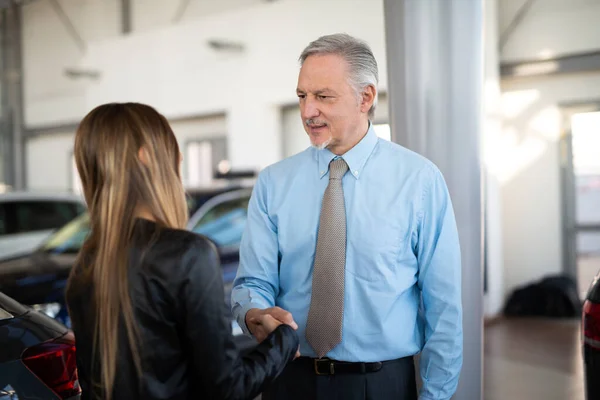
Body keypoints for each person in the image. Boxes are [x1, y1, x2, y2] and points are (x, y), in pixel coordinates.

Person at [231, 33, 463, 400]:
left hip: (381, 385)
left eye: (323, 96)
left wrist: (436, 395)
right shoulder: (274, 183)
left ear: (365, 98)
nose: (308, 112)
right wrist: (252, 314)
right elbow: (252, 282)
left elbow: (444, 306)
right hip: (288, 380)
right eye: (302, 96)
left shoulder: (419, 181)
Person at [66, 102, 299, 400]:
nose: (178, 160)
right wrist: (285, 339)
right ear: (146, 157)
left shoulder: (86, 264)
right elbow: (227, 389)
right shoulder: (187, 254)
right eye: (170, 149)